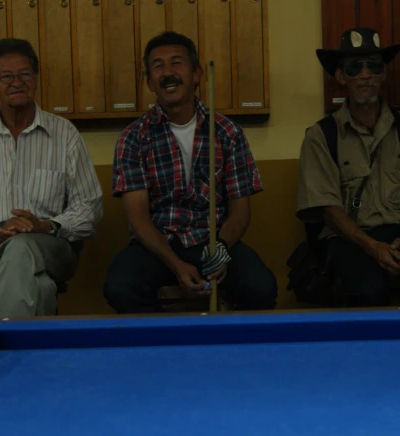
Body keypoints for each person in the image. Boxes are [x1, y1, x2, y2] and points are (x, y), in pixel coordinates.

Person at [103, 31, 277, 313]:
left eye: (176, 63)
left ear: (197, 74)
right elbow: (137, 216)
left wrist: (221, 247)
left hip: (212, 241)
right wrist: (175, 263)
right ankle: (161, 351)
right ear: (150, 82)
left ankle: (234, 354)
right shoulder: (134, 137)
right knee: (121, 286)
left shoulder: (227, 132)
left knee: (261, 286)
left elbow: (240, 209)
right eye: (158, 66)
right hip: (157, 246)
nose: (168, 73)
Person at [295, 27, 400, 307]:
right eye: (354, 67)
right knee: (365, 293)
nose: (365, 73)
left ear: (383, 73)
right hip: (350, 237)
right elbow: (327, 210)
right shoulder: (321, 136)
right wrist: (373, 248)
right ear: (340, 76)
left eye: (373, 65)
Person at [0, 38, 103, 318]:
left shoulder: (64, 135)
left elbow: (90, 209)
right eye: (6, 76)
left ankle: (5, 349)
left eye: (25, 74)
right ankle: (36, 355)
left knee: (21, 246)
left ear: (36, 79)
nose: (17, 82)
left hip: (52, 248)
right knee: (38, 287)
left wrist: (45, 225)